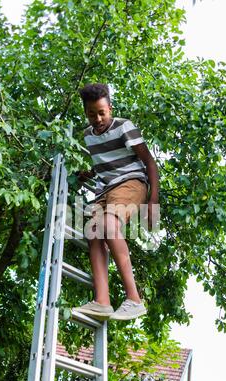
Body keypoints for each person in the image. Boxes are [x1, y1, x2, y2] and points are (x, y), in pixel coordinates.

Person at [72, 83, 159, 321]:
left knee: (110, 226)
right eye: (92, 114)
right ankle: (102, 301)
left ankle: (134, 299)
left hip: (131, 183)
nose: (98, 118)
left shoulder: (124, 127)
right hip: (105, 190)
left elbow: (150, 162)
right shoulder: (88, 136)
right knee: (93, 232)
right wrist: (88, 174)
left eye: (102, 112)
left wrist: (153, 201)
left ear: (110, 108)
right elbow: (105, 162)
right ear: (86, 113)